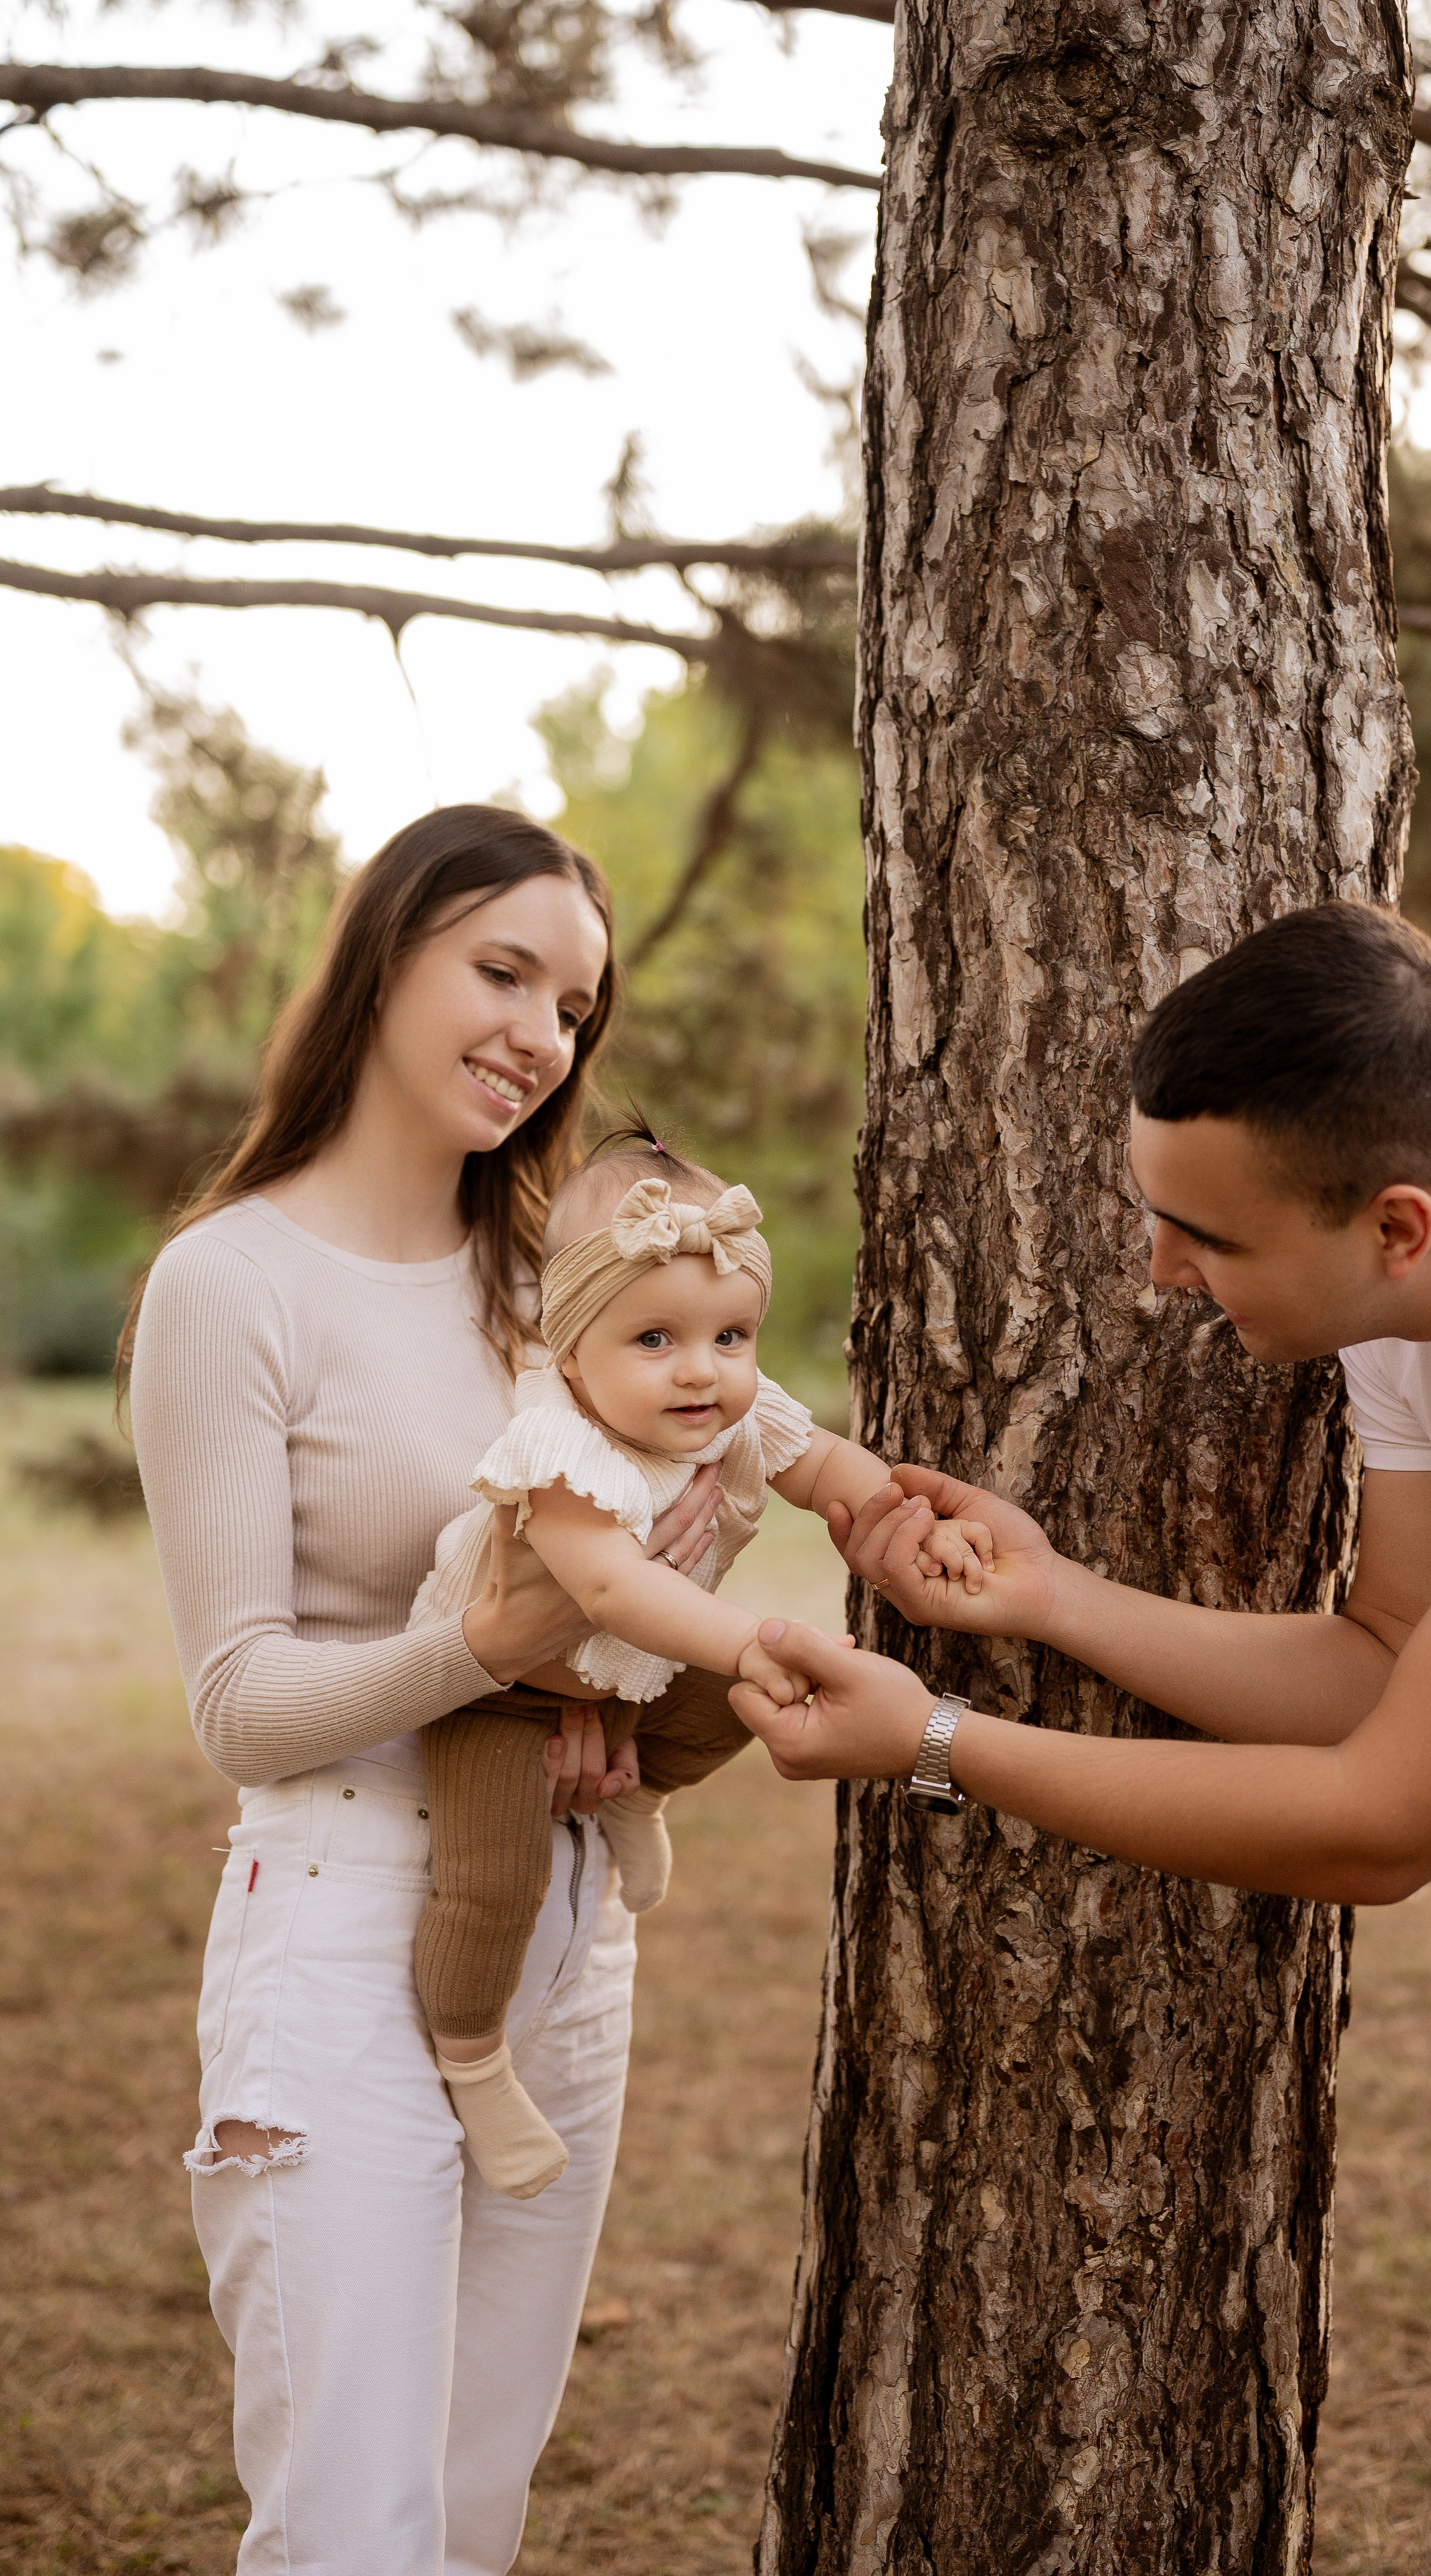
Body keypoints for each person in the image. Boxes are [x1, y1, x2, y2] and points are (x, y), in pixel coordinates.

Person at [730, 902, 1431, 2576]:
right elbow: (1382, 1662)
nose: (1156, 1272)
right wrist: (1047, 1598)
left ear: (1392, 1224)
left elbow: (1377, 1823)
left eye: (1206, 1237)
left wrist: (935, 1741)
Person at [128, 805, 728, 2576]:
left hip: (564, 1940)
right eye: (503, 971)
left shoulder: (553, 1283)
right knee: (356, 2533)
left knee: (470, 2514)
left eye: (573, 1006)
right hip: (339, 1927)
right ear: (385, 953)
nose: (541, 1034)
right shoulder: (230, 1283)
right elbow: (238, 1706)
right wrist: (490, 1650)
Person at [406, 1133, 991, 2198]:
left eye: (731, 1335)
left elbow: (821, 1464)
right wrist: (747, 1641)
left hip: (625, 1679)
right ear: (573, 1353)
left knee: (752, 1703)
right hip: (493, 1697)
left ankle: (641, 1788)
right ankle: (474, 2059)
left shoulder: (728, 1412)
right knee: (494, 1882)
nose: (701, 1369)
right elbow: (615, 1592)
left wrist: (902, 1519)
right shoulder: (561, 1452)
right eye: (657, 1339)